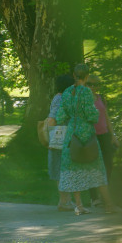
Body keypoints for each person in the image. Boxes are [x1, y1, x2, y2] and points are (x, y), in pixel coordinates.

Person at [56, 64, 121, 215]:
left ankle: (79, 205)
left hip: (71, 134)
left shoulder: (67, 92)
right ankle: (109, 205)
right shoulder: (85, 92)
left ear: (74, 75)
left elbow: (60, 116)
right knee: (98, 168)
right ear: (86, 76)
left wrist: (72, 117)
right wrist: (91, 116)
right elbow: (92, 115)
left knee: (73, 167)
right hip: (86, 133)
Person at [85, 75, 119, 209]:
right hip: (91, 136)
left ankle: (105, 193)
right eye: (90, 84)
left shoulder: (101, 98)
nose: (93, 87)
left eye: (96, 84)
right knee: (92, 165)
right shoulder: (84, 99)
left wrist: (113, 135)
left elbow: (106, 117)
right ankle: (94, 198)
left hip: (104, 135)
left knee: (108, 164)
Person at [46, 73, 74, 211]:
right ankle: (64, 201)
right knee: (61, 170)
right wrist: (51, 134)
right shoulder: (61, 98)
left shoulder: (62, 97)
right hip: (60, 138)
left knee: (63, 169)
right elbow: (52, 119)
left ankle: (64, 201)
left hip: (62, 138)